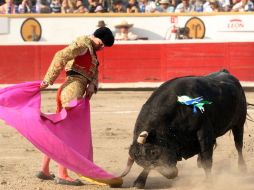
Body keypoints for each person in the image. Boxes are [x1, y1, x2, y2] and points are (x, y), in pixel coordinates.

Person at [37, 27, 115, 186]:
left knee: (59, 132)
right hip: (72, 90)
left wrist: (92, 84)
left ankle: (44, 170)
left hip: (72, 90)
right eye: (101, 43)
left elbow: (93, 72)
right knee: (68, 133)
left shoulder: (91, 51)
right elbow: (61, 55)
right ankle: (62, 174)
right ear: (95, 37)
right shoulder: (83, 44)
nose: (102, 47)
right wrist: (48, 80)